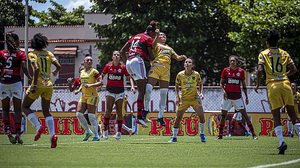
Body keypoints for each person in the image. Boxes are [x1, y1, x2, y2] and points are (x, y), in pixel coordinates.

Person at [255, 30, 300, 154]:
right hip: (286, 85)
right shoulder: (284, 53)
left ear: (267, 42)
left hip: (273, 85)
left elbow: (259, 70)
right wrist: (285, 75)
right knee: (293, 115)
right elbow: (294, 69)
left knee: (276, 115)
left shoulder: (263, 54)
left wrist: (258, 83)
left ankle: (281, 142)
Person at [22, 33, 61, 148]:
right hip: (48, 85)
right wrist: (54, 72)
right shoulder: (49, 53)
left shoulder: (32, 54)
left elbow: (36, 69)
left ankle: (38, 126)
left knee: (24, 107)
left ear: (33, 43)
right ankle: (53, 135)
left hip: (38, 84)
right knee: (46, 111)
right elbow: (59, 66)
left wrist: (33, 84)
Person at [120, 21, 158, 127]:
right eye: (154, 34)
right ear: (151, 32)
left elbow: (122, 51)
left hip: (129, 62)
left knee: (142, 90)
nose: (153, 36)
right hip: (137, 60)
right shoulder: (148, 38)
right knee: (142, 90)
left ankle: (142, 116)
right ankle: (140, 117)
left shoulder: (136, 36)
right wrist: (154, 58)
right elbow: (151, 56)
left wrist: (127, 63)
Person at [144, 32, 187, 126]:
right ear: (158, 37)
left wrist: (182, 57)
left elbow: (177, 57)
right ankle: (145, 110)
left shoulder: (169, 48)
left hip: (166, 71)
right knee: (148, 89)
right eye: (161, 35)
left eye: (164, 35)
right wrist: (156, 35)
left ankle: (160, 116)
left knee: (164, 94)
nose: (163, 36)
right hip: (156, 67)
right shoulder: (156, 44)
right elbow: (152, 45)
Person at [0, 32, 32, 144]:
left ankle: (8, 130)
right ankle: (18, 133)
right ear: (17, 41)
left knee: (5, 109)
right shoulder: (21, 54)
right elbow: (24, 67)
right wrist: (30, 78)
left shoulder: (1, 53)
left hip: (3, 82)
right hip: (16, 82)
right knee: (17, 109)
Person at [217, 55, 257, 140]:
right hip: (227, 97)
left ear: (236, 62)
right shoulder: (225, 70)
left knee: (245, 116)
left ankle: (254, 134)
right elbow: (221, 83)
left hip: (238, 97)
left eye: (233, 61)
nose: (232, 62)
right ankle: (220, 135)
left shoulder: (241, 71)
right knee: (223, 116)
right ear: (229, 62)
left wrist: (246, 97)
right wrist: (224, 91)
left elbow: (243, 85)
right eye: (231, 61)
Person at [169, 58, 206, 143]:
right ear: (184, 64)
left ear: (192, 65)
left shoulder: (196, 74)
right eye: (186, 62)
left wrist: (201, 93)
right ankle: (174, 137)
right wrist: (177, 97)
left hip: (194, 98)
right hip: (184, 99)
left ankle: (202, 134)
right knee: (178, 117)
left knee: (201, 116)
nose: (187, 63)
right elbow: (177, 85)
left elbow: (200, 83)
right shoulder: (180, 74)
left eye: (189, 62)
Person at [101, 51, 135, 140]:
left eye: (118, 55)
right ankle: (105, 131)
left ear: (120, 57)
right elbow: (102, 75)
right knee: (108, 111)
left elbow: (129, 77)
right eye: (114, 55)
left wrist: (132, 86)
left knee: (119, 112)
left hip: (120, 92)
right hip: (110, 91)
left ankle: (119, 133)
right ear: (112, 57)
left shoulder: (123, 67)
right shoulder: (108, 66)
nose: (116, 56)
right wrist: (99, 82)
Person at [75, 56, 102, 141]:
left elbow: (101, 82)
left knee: (91, 115)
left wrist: (91, 85)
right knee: (79, 114)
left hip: (92, 95)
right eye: (87, 60)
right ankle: (88, 132)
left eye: (91, 60)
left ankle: (97, 135)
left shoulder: (94, 71)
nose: (89, 61)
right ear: (84, 62)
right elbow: (82, 83)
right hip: (84, 95)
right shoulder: (82, 72)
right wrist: (78, 90)